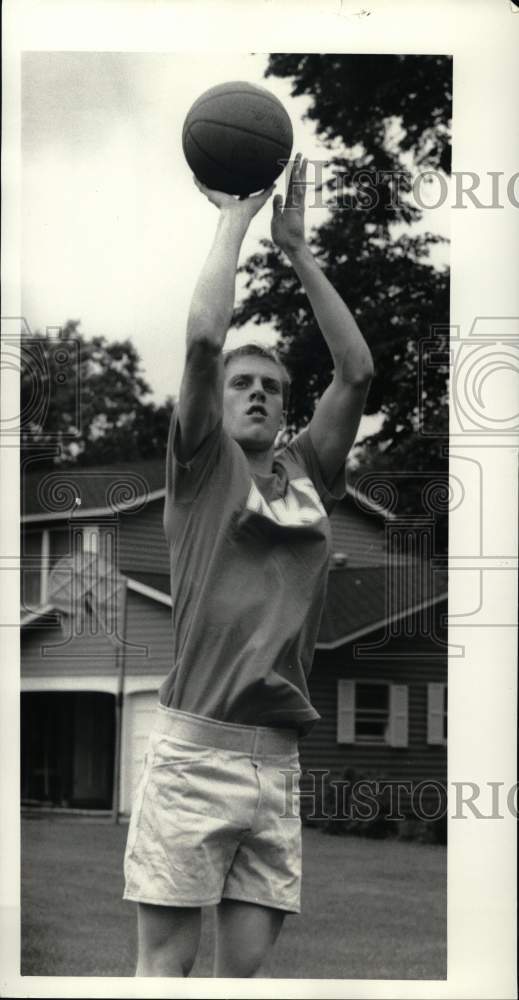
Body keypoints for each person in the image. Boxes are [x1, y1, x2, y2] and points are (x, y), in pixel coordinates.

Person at [123, 153, 374, 977]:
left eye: (270, 384)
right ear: (218, 399)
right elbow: (201, 340)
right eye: (242, 382)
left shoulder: (308, 470)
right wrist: (233, 219)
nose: (257, 392)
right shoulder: (198, 468)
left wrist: (298, 251)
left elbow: (357, 371)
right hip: (196, 749)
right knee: (166, 971)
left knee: (242, 980)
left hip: (277, 759)